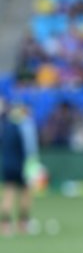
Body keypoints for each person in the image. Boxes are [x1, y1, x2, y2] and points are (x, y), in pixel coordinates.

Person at [0, 99, 38, 235]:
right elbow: (30, 150)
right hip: (23, 165)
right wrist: (32, 166)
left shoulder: (5, 126)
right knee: (26, 193)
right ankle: (23, 223)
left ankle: (5, 225)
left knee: (8, 192)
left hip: (7, 164)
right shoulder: (25, 125)